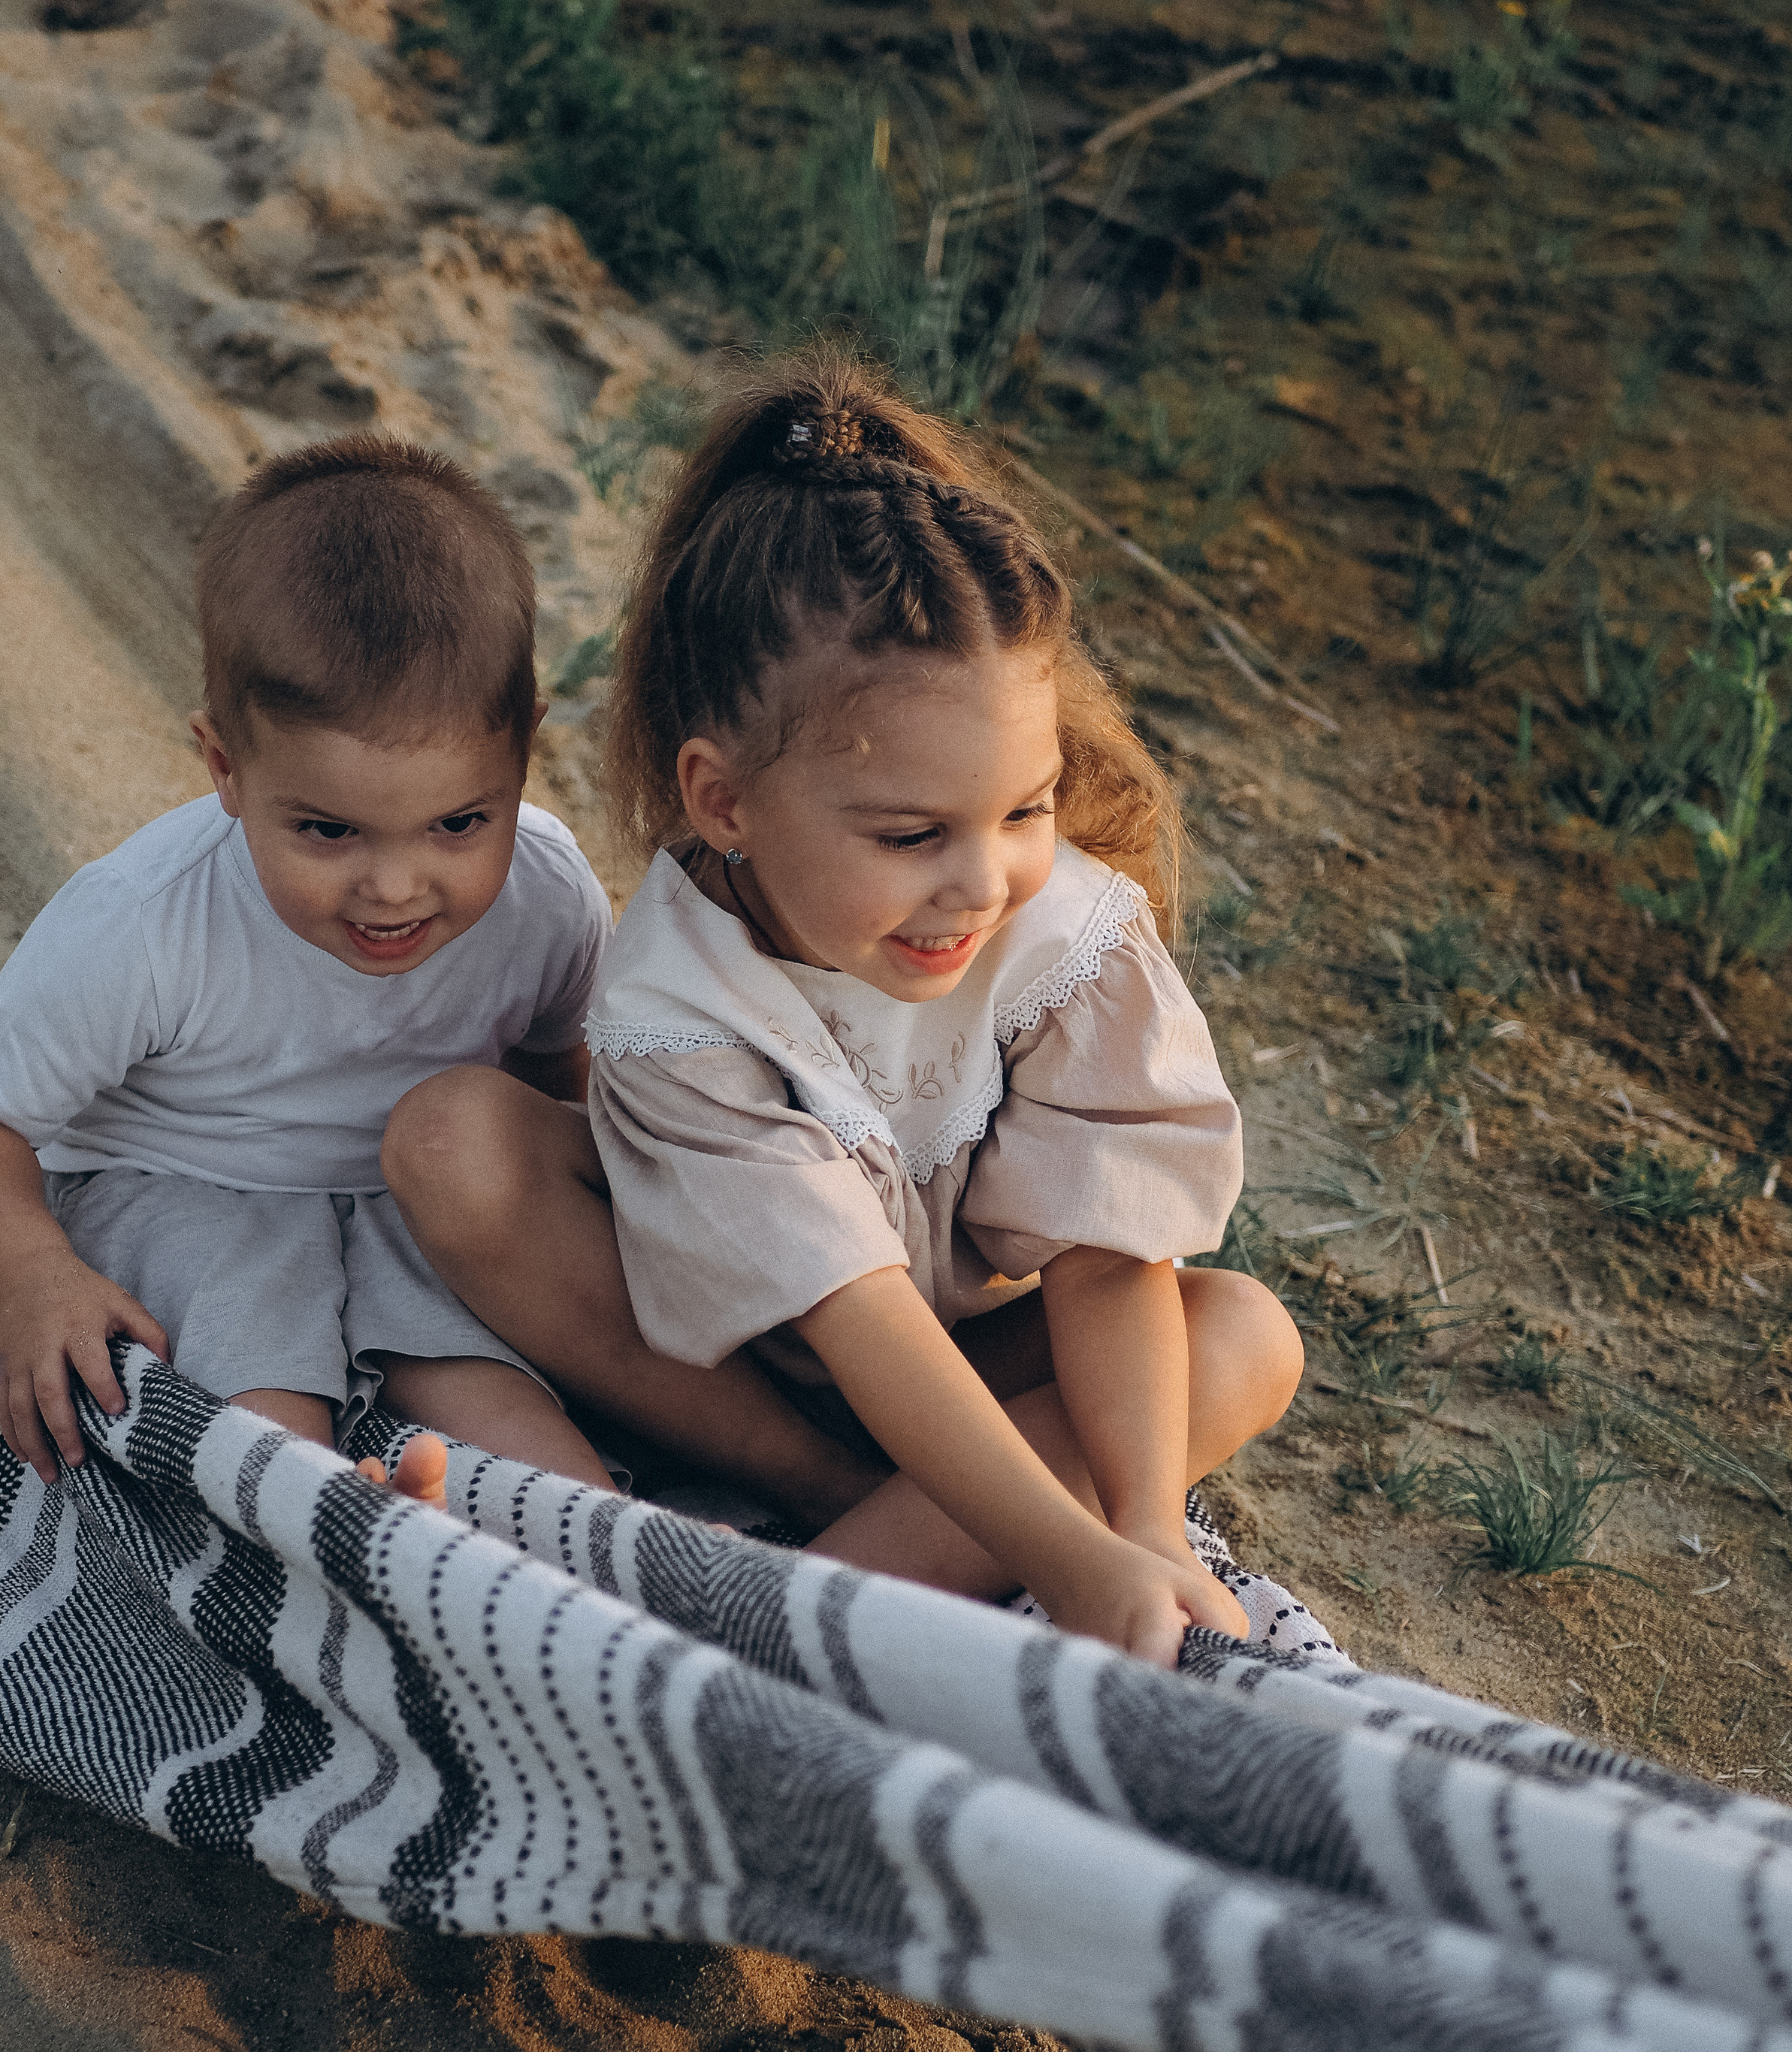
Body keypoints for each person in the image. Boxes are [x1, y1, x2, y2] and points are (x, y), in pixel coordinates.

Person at [383, 356, 1304, 1662]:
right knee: (450, 1143)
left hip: (980, 1368)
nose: (980, 880)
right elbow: (853, 1312)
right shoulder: (682, 1001)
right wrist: (1063, 1554)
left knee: (1244, 1336)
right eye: (911, 832)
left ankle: (868, 1560)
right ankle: (833, 1541)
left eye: (1025, 809)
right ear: (724, 803)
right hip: (740, 1374)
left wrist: (1143, 1525)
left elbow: (1108, 1256)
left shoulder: (1064, 939)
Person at [0, 434, 872, 1525]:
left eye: (461, 820)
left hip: (407, 1198)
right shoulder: (144, 922)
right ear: (225, 766)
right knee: (260, 1405)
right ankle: (329, 1529)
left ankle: (595, 1550)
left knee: (504, 1396)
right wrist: (31, 1271)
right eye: (328, 829)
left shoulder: (545, 893)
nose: (397, 887)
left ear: (523, 752)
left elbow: (554, 1082)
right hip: (189, 1178)